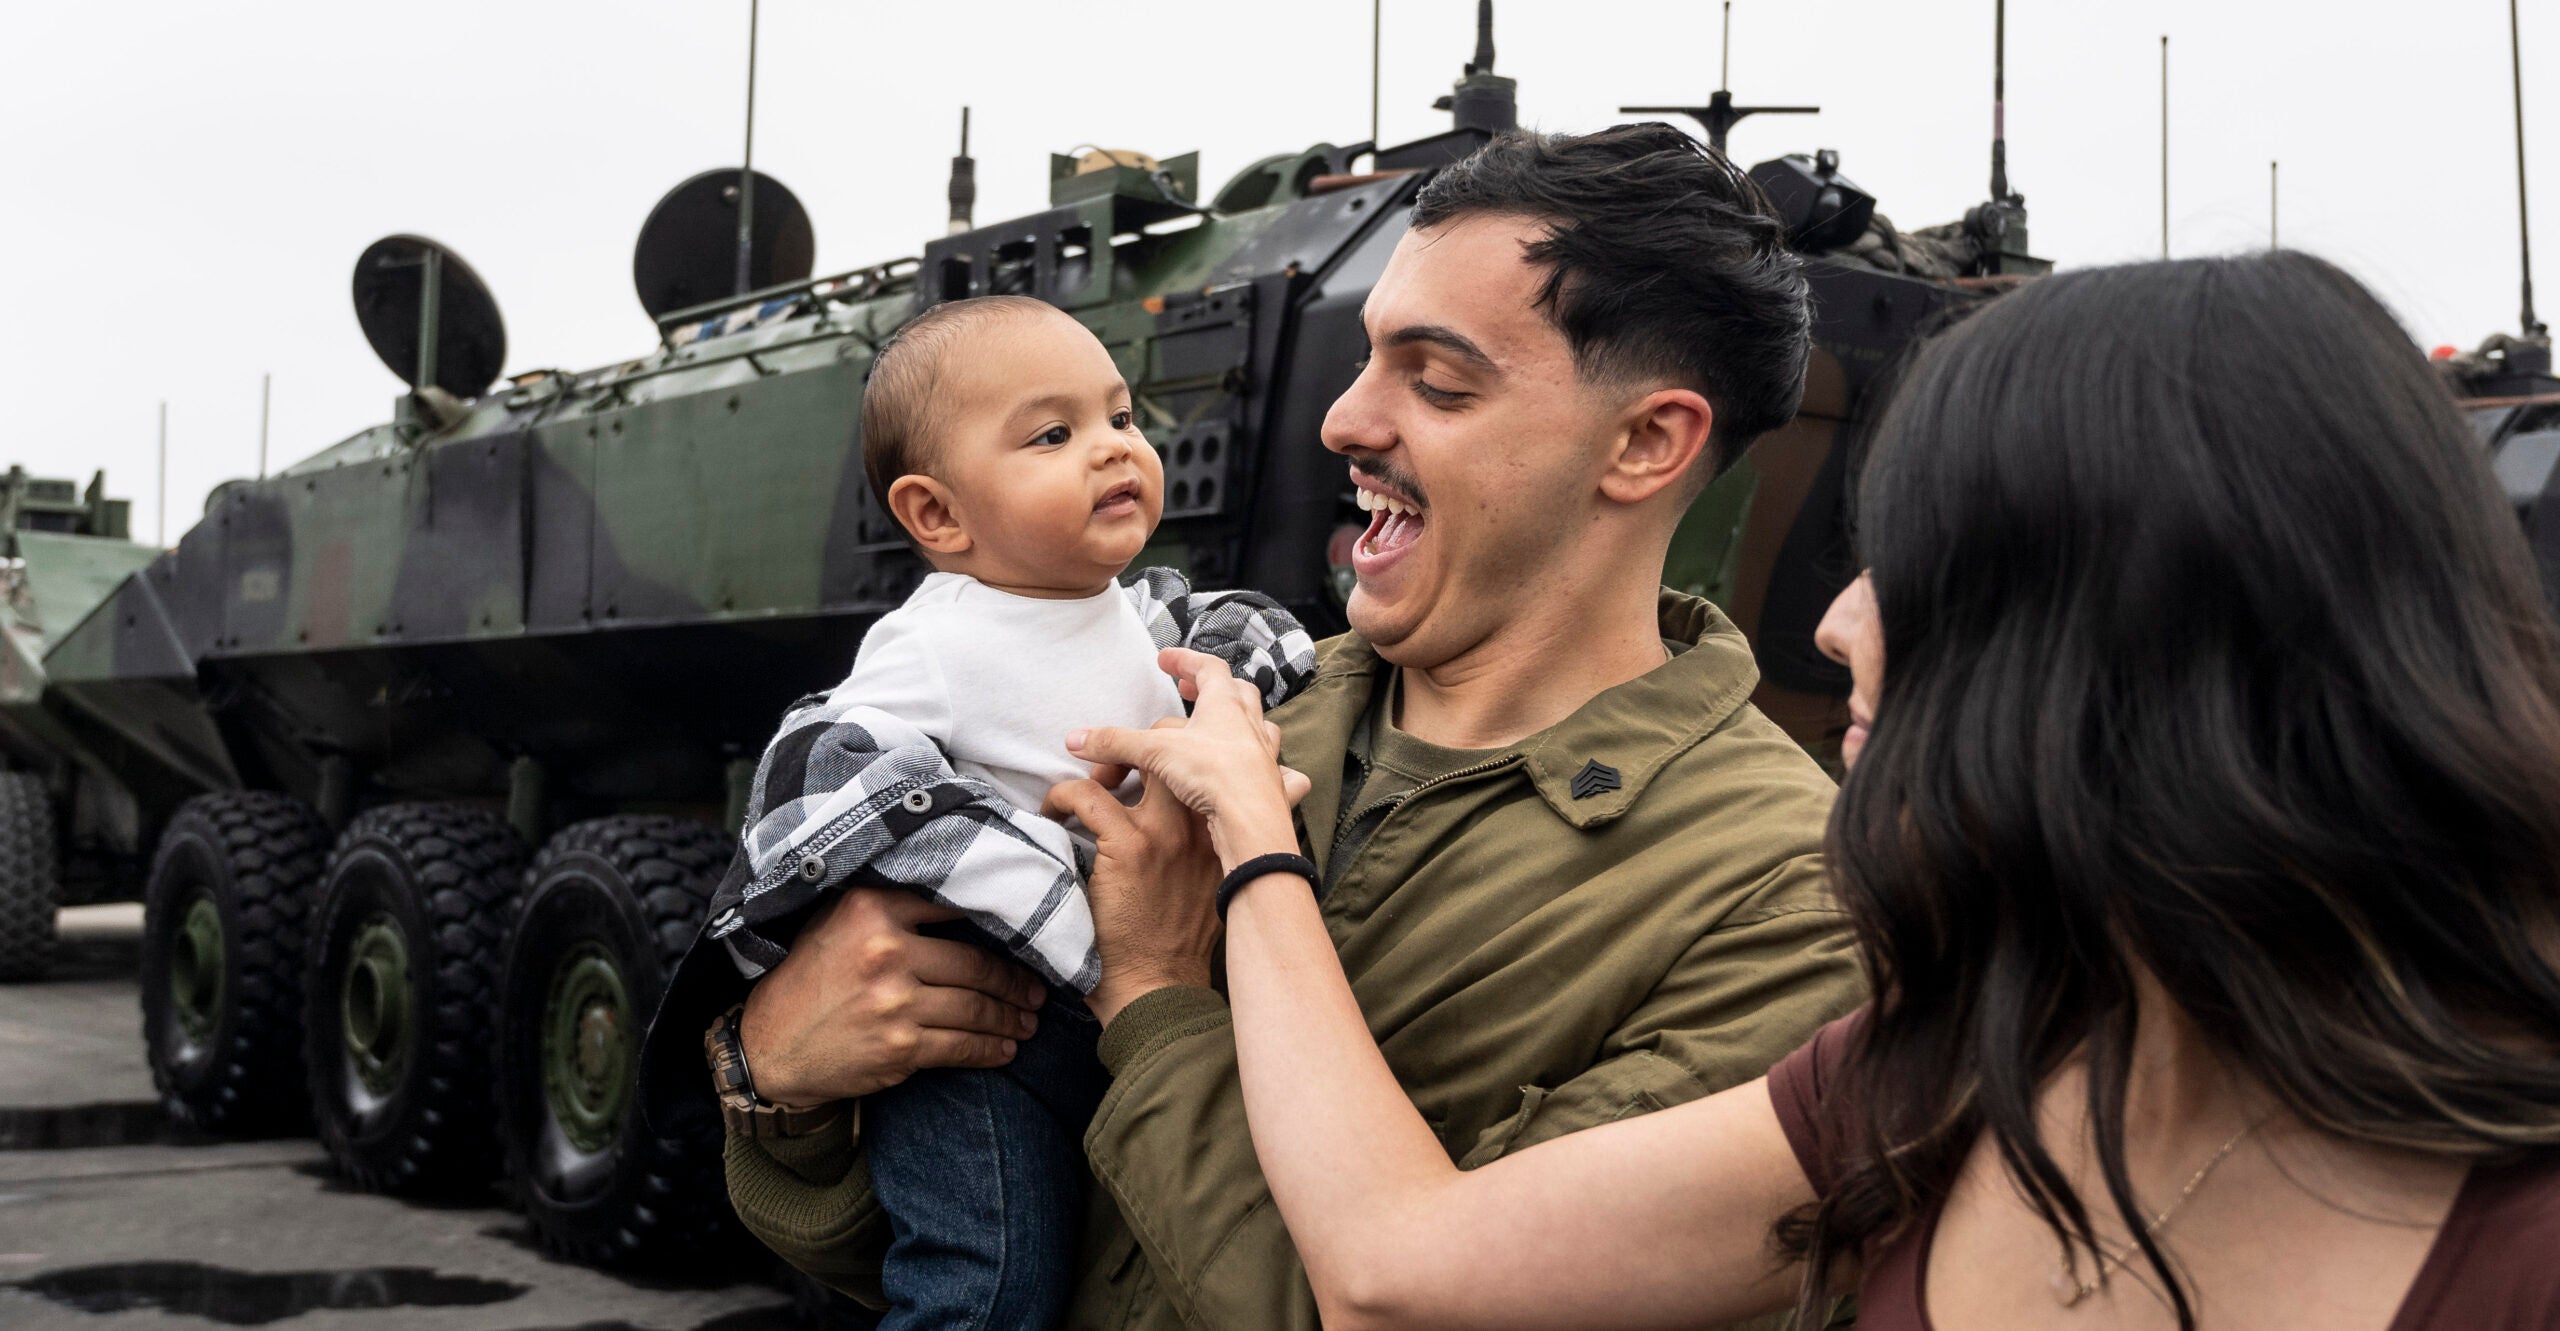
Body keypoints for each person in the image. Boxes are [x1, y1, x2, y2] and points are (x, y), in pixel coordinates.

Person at [1080, 250, 2560, 1329]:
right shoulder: (1939, 1066)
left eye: (1921, 565)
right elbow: (1403, 1255)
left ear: (2137, 643)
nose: (1842, 620)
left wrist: (1212, 913)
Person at [717, 124, 1867, 1328]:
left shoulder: (1783, 904)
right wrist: (776, 1079)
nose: (1343, 420)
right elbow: (967, 1249)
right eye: (1367, 357)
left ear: (1643, 442)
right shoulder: (1229, 703)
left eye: (1437, 381)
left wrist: (1153, 992)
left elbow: (1405, 1304)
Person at [681, 294, 1315, 1331]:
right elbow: (827, 769)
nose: (1113, 447)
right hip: (984, 1035)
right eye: (1053, 434)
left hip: (1127, 1002)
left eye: (1121, 415)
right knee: (987, 1283)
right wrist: (1012, 866)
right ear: (938, 515)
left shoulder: (1143, 614)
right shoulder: (935, 643)